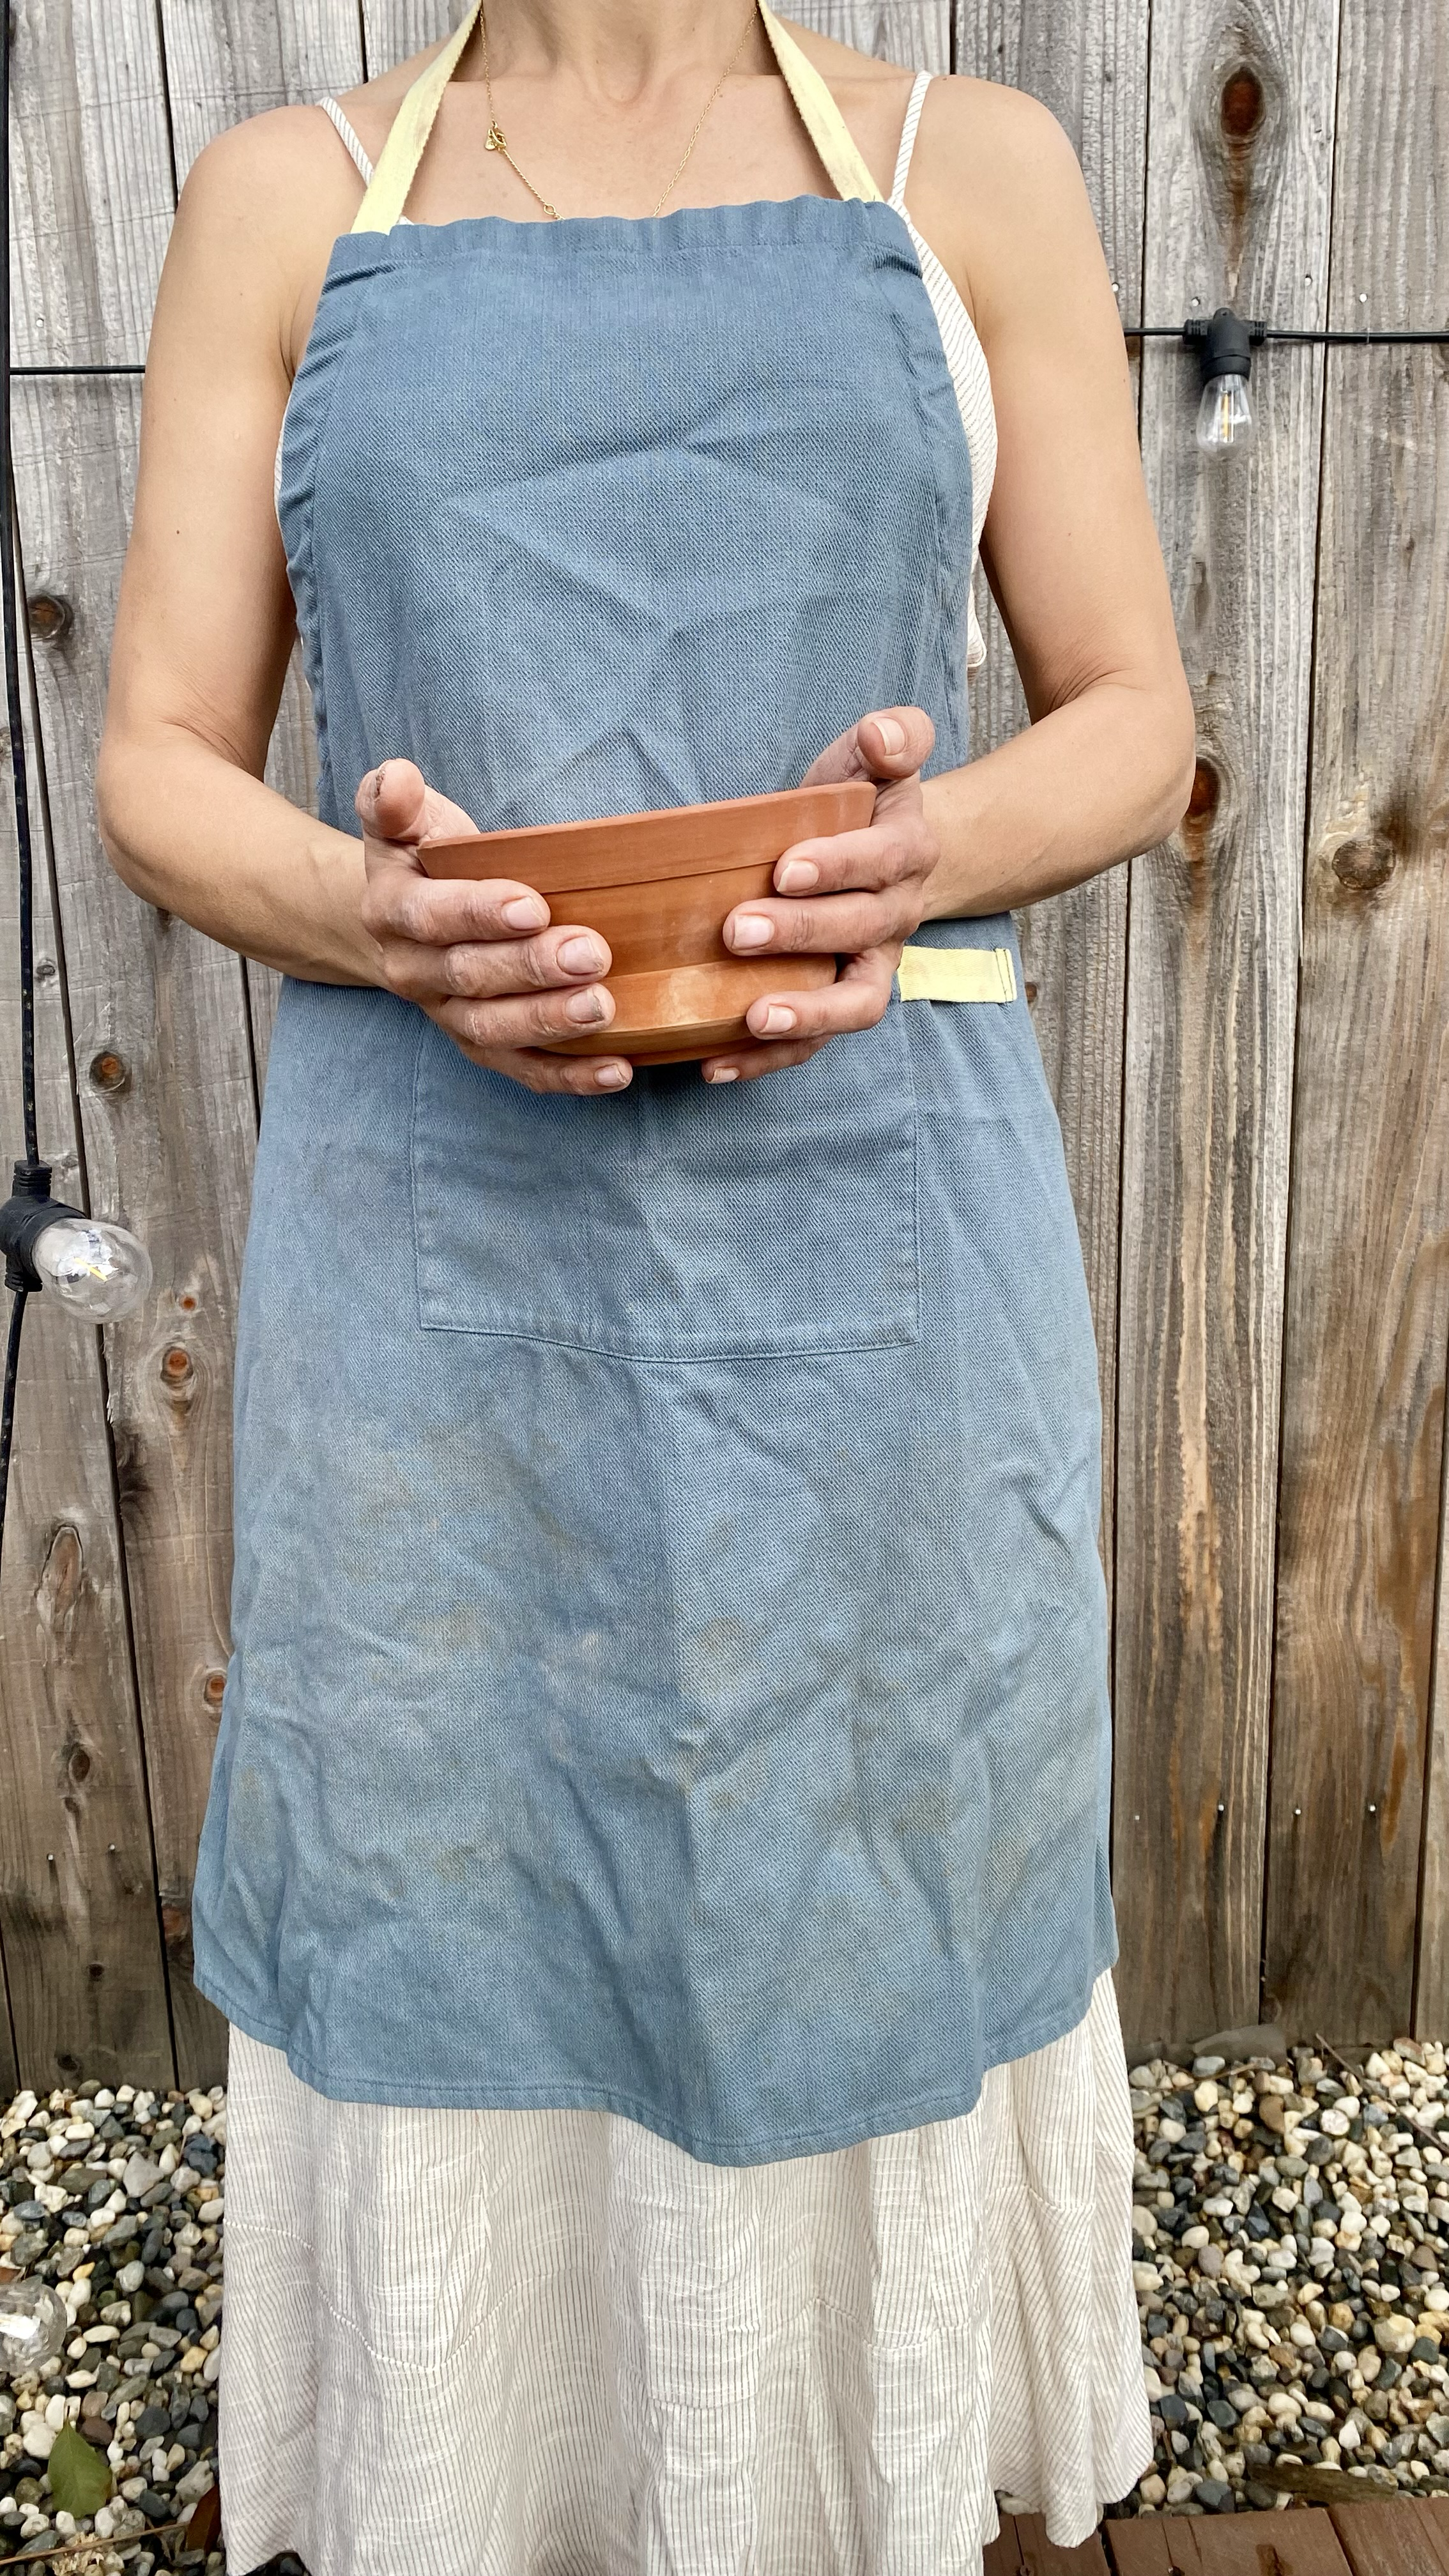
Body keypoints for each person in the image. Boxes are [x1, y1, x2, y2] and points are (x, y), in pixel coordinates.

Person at [98, 4, 1195, 2570]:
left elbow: (1137, 716)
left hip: (884, 1251)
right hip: (434, 1264)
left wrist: (920, 858)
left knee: (862, 1847)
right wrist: (377, 915)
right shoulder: (290, 200)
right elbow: (155, 754)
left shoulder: (966, 171)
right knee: (457, 1841)